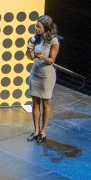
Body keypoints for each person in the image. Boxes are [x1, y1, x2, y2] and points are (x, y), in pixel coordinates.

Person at [26, 15, 59, 143]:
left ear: (46, 27)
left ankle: (43, 132)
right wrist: (30, 50)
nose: (37, 29)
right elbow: (31, 57)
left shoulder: (53, 41)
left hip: (46, 75)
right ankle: (36, 131)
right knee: (35, 102)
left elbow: (51, 60)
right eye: (36, 26)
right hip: (35, 72)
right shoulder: (35, 38)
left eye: (39, 27)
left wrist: (42, 57)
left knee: (46, 102)